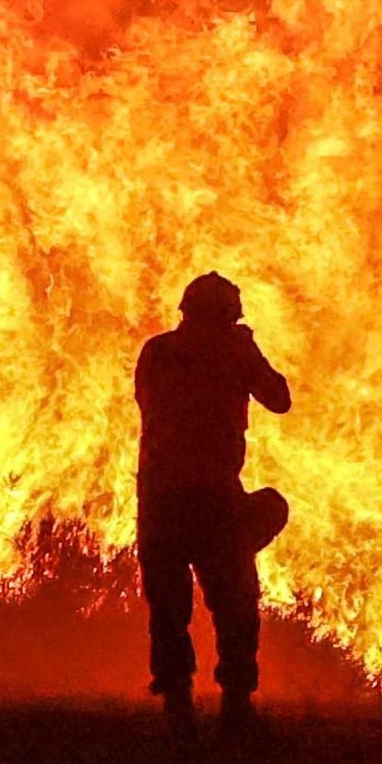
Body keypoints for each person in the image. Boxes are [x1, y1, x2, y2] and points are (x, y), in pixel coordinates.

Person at [136, 271, 292, 723]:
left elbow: (149, 404)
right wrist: (245, 350)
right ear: (228, 316)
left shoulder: (157, 351)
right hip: (212, 497)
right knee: (235, 600)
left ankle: (178, 700)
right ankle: (237, 701)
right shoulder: (234, 350)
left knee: (168, 604)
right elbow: (279, 399)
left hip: (160, 497)